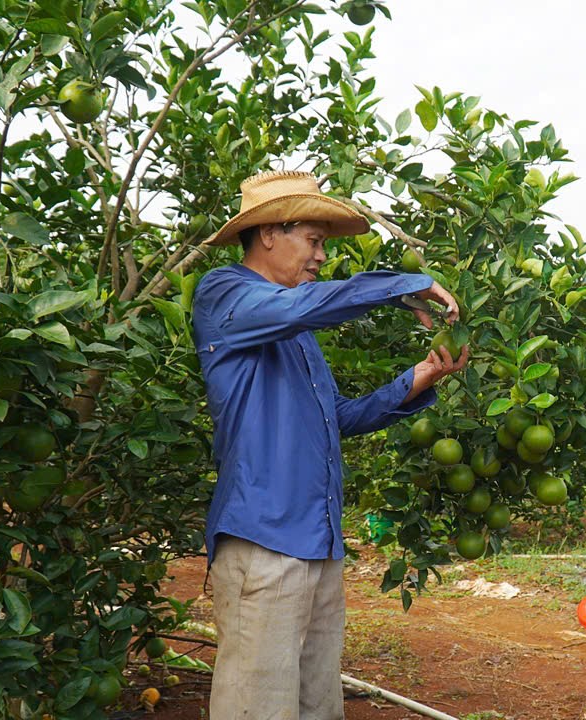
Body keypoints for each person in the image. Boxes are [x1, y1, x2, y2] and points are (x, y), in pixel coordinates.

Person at [191, 170, 469, 719]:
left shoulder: (296, 334)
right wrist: (398, 284)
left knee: (318, 705)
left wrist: (414, 383)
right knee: (257, 707)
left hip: (318, 543)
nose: (320, 256)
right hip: (264, 540)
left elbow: (332, 418)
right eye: (314, 240)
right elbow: (303, 306)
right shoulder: (225, 295)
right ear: (270, 233)